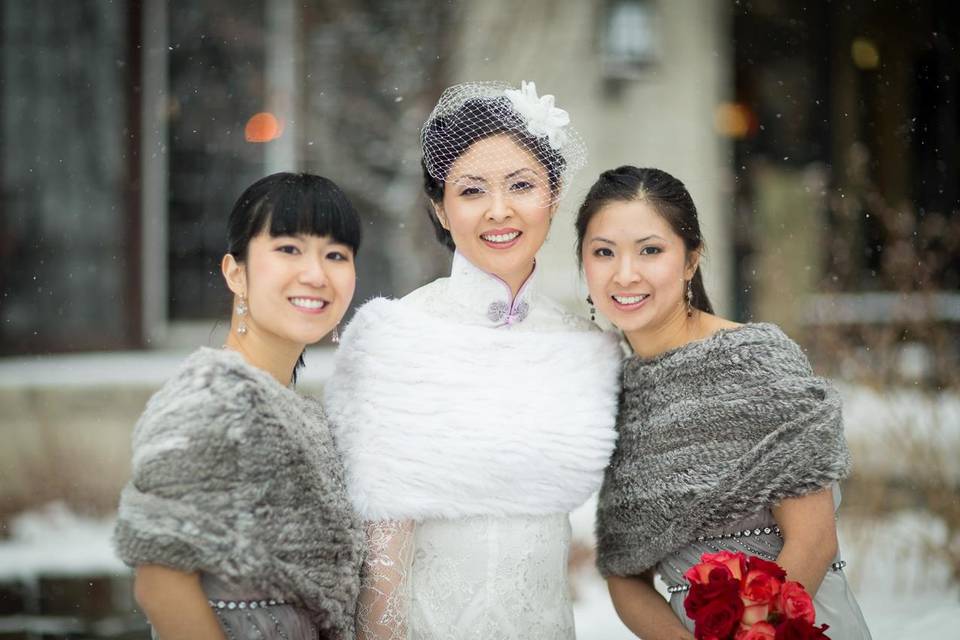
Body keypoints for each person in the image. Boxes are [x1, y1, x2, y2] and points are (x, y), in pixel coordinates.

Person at [324, 81, 622, 639]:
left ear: (554, 195)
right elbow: (380, 554)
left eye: (522, 185)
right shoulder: (401, 334)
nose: (500, 211)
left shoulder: (582, 341)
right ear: (439, 206)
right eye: (472, 191)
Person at [578, 166, 872, 639]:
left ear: (691, 260)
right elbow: (624, 573)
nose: (625, 273)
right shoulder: (615, 396)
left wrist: (756, 629)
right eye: (603, 252)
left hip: (797, 621)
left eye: (650, 250)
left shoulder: (756, 360)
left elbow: (813, 540)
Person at [113, 172, 365, 640]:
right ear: (235, 272)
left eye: (336, 255)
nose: (316, 274)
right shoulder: (212, 395)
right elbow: (159, 581)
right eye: (289, 248)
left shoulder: (308, 415)